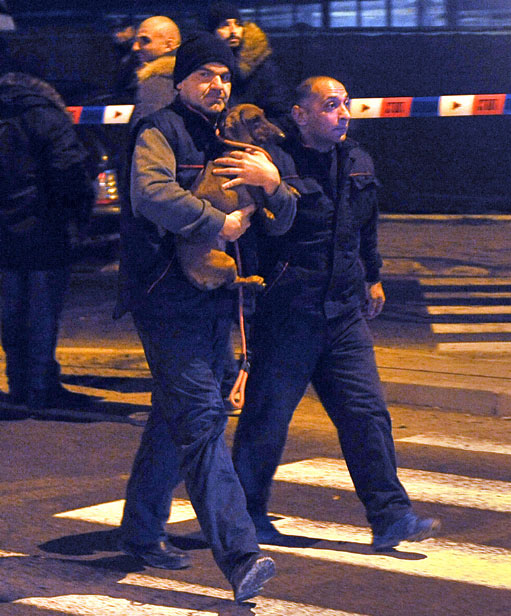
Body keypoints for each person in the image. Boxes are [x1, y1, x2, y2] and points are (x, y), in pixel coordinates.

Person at [114, 33, 298, 603]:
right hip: (166, 297)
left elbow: (286, 216)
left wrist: (273, 186)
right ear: (180, 82)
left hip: (216, 296)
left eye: (224, 76)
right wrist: (216, 223)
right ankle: (241, 556)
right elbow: (149, 194)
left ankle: (141, 528)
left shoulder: (228, 138)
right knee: (201, 420)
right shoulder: (160, 130)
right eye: (204, 75)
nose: (217, 85)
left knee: (180, 411)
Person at [232, 76, 441, 551]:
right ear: (300, 114)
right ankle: (244, 518)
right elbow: (274, 230)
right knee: (267, 419)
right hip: (289, 311)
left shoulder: (357, 160)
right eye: (330, 105)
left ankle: (391, 516)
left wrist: (372, 275)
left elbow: (365, 226)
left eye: (346, 103)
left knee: (367, 413)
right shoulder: (273, 162)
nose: (343, 113)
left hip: (343, 312)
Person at [0, 72, 94, 410]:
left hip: (5, 232)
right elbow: (69, 170)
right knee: (41, 312)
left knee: (12, 311)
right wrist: (78, 213)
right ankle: (41, 388)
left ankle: (18, 384)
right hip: (44, 227)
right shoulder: (46, 116)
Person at [206, 2, 291, 127]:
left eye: (238, 24)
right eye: (225, 25)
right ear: (212, 32)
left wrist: (250, 130)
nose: (233, 31)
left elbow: (281, 112)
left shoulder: (261, 65)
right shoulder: (203, 67)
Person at [130, 15, 181, 127]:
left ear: (169, 45)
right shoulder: (187, 78)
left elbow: (148, 129)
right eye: (135, 41)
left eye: (145, 41)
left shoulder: (155, 83)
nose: (135, 47)